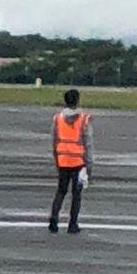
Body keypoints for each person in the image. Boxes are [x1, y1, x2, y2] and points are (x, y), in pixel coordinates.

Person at [49, 88, 92, 234]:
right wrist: (89, 164)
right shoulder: (83, 119)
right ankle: (72, 224)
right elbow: (88, 143)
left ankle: (53, 219)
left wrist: (57, 158)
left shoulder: (58, 118)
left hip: (62, 160)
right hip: (78, 162)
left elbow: (54, 141)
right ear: (77, 101)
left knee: (61, 191)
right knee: (76, 194)